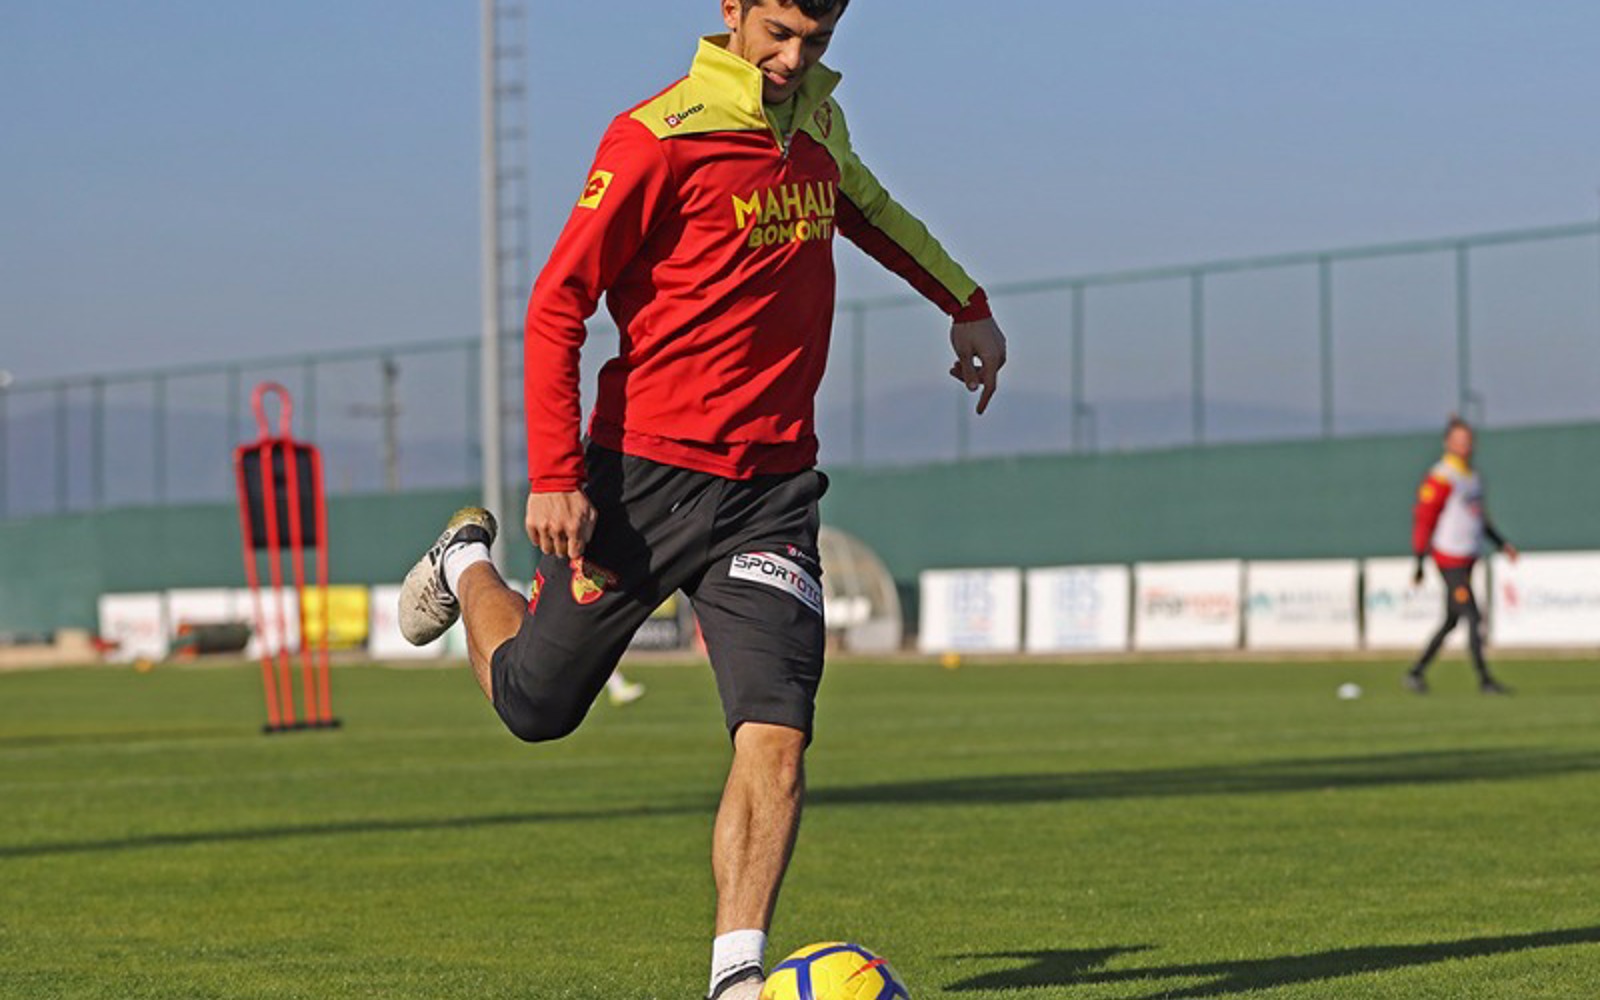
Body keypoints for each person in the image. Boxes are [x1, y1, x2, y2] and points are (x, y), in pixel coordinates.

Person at [397, 2, 1007, 998]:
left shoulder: (817, 126)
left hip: (772, 491)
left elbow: (871, 211)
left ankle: (735, 979)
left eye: (817, 39)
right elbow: (556, 304)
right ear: (731, 9)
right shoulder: (653, 139)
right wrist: (553, 473)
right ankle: (464, 560)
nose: (794, 58)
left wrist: (965, 303)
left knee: (777, 731)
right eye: (778, 32)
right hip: (641, 480)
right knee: (536, 706)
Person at [1405, 416, 1517, 695]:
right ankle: (1485, 680)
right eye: (1459, 440)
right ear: (1448, 443)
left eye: (1468, 440)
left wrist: (1501, 543)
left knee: (1452, 620)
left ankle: (1416, 672)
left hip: (1468, 558)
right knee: (1473, 616)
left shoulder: (1473, 478)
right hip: (1449, 559)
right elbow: (1424, 518)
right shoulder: (1442, 476)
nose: (1465, 445)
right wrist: (1419, 559)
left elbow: (1479, 519)